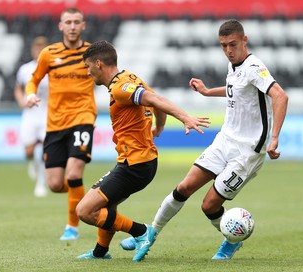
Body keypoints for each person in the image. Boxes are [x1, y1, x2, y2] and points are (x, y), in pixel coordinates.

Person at [120, 19, 289, 260]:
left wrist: (274, 139)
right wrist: (209, 91)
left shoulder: (255, 67)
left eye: (233, 44)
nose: (228, 51)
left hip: (247, 152)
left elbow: (280, 96)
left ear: (244, 40)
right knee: (184, 187)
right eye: (223, 46)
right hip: (224, 141)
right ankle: (151, 233)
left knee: (208, 206)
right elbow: (236, 87)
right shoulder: (235, 66)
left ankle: (232, 240)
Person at [74, 40, 210, 262]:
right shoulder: (131, 78)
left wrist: (185, 117)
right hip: (140, 162)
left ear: (98, 64)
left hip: (135, 165)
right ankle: (100, 252)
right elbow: (154, 100)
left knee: (85, 211)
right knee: (107, 204)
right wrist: (160, 126)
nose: (89, 74)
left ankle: (141, 232)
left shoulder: (120, 88)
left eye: (88, 68)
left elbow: (155, 99)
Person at [25, 8, 97, 241]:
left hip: (83, 119)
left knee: (74, 172)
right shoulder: (49, 53)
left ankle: (72, 226)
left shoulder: (92, 53)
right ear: (61, 26)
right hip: (55, 124)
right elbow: (33, 80)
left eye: (77, 22)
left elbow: (108, 77)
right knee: (56, 184)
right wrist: (30, 95)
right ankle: (93, 196)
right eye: (68, 22)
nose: (73, 26)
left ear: (83, 25)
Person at [14, 36, 49, 198]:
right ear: (32, 50)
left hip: (47, 114)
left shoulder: (52, 69)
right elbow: (18, 88)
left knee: (44, 150)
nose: (38, 52)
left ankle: (41, 184)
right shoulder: (25, 69)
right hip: (30, 115)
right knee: (29, 151)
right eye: (36, 49)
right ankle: (33, 164)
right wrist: (22, 101)